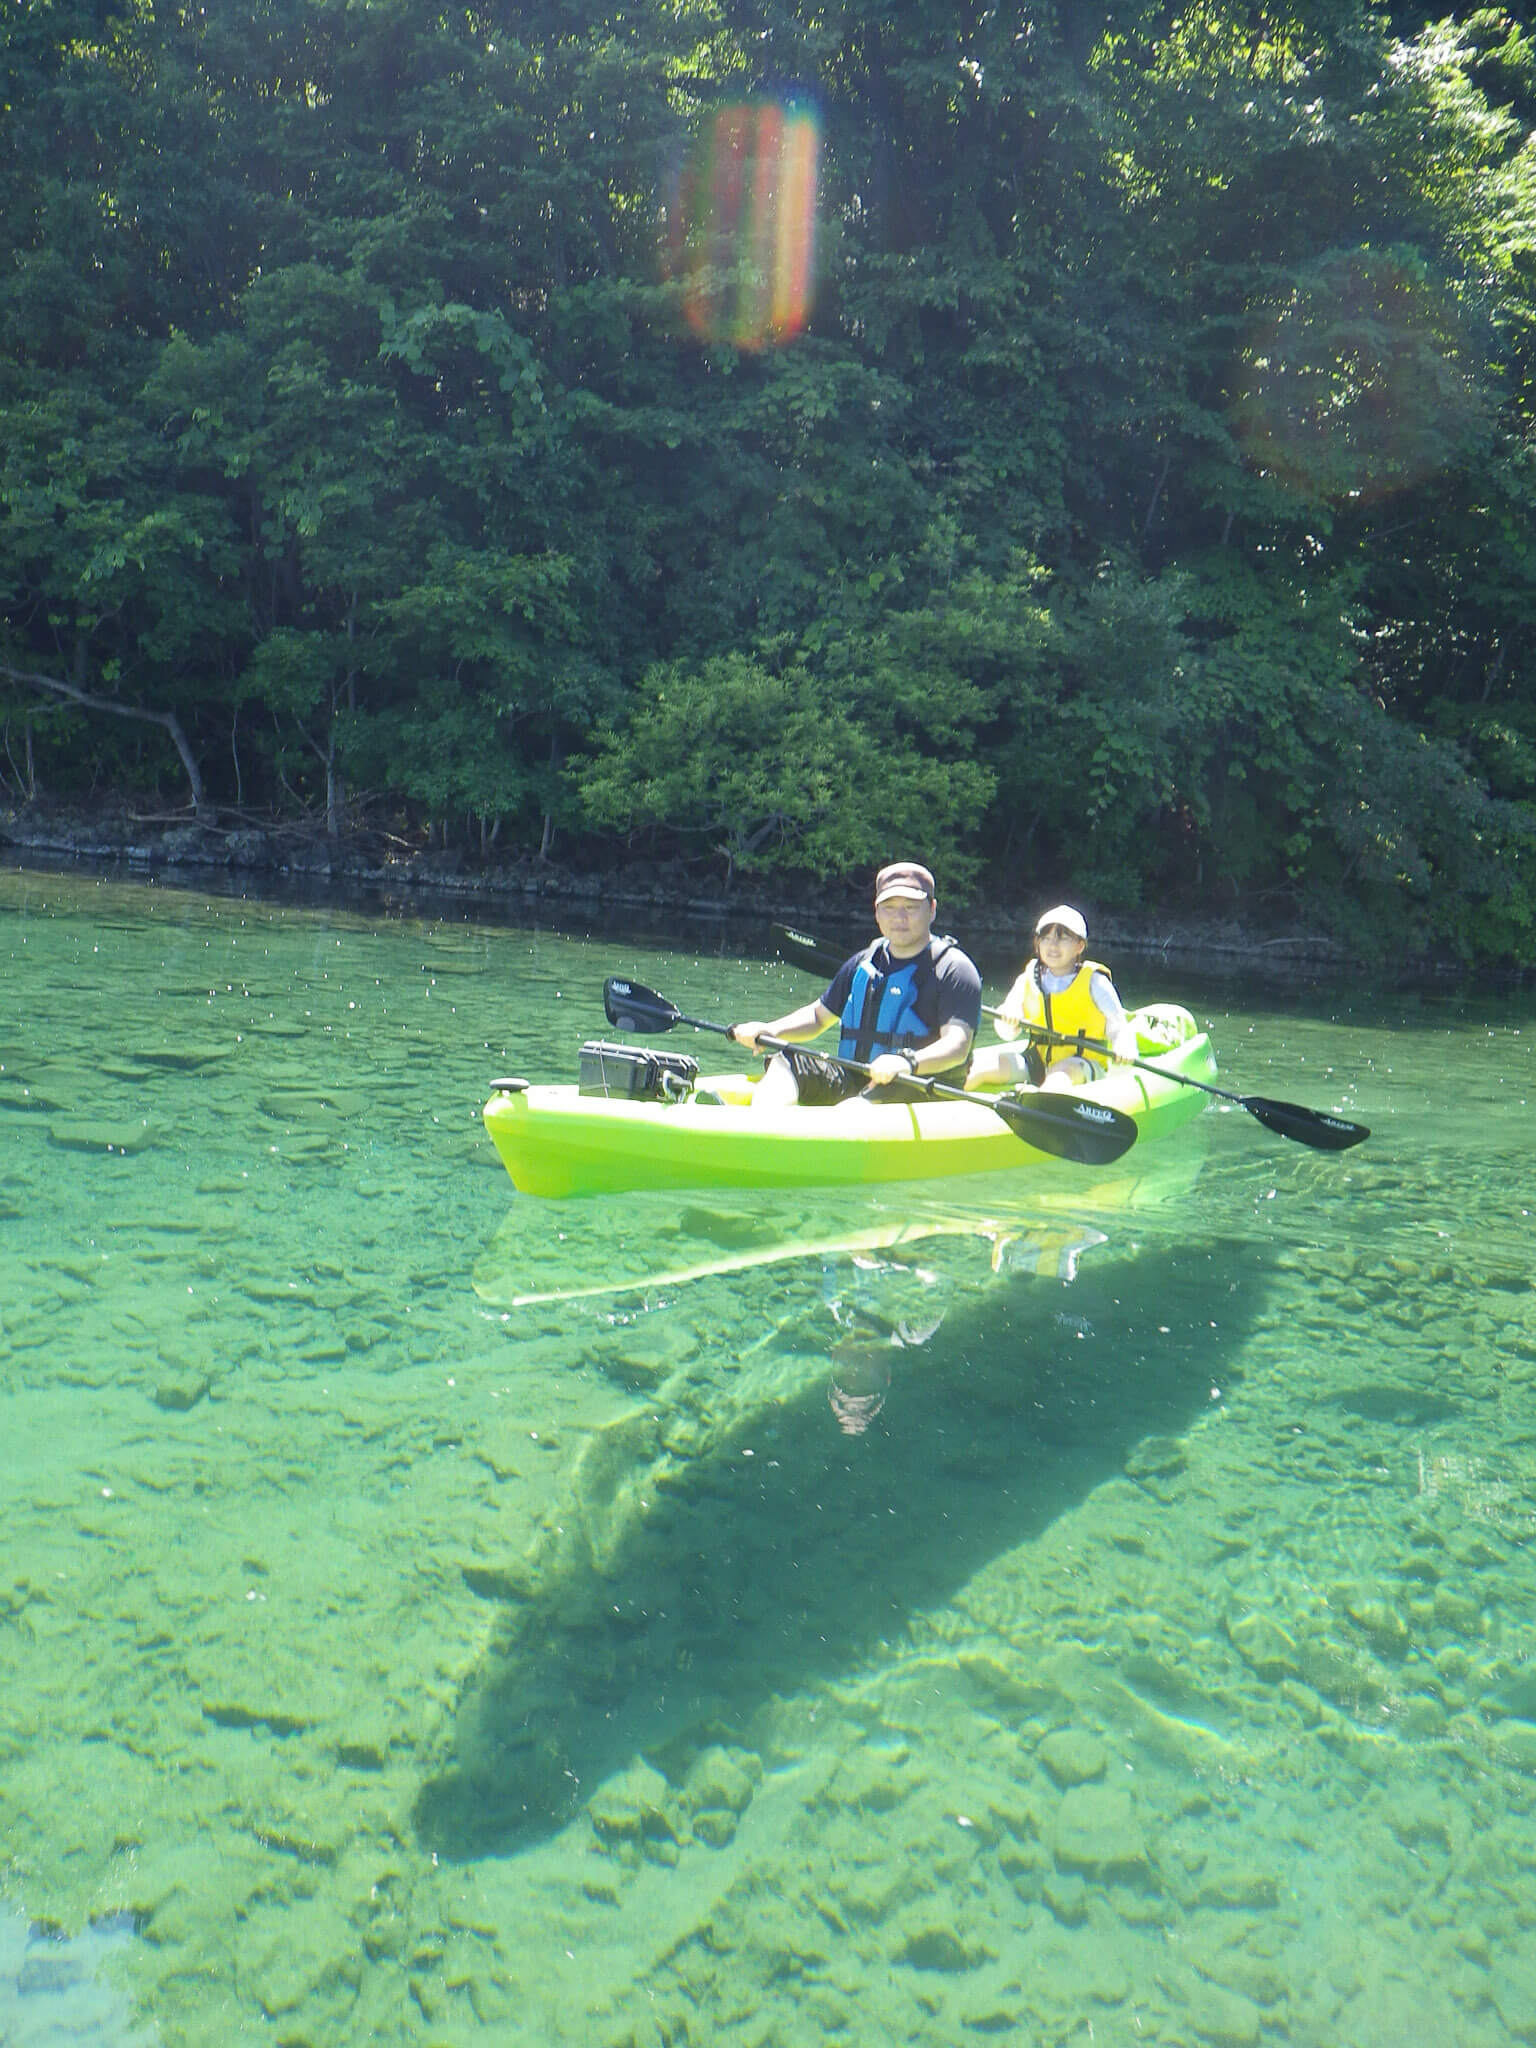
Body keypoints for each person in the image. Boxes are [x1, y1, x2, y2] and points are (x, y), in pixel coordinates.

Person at [729, 862, 982, 1107]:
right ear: (876, 912)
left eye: (911, 907)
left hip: (918, 1086)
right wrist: (771, 1030)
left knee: (855, 1107)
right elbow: (819, 1017)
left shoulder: (954, 969)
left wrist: (908, 1062)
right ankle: (760, 1127)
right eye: (890, 907)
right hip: (855, 1077)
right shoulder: (864, 961)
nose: (899, 917)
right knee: (785, 1060)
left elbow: (957, 1046)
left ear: (932, 909)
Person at [969, 904, 1137, 1092]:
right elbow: (1007, 1033)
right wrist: (1009, 1020)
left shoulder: (1095, 982)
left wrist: (1123, 1046)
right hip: (1037, 1060)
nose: (1053, 946)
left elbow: (1118, 1025)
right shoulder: (1028, 978)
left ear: (1079, 946)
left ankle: (1037, 1102)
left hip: (1082, 1063)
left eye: (1063, 938)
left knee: (1059, 1075)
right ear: (1038, 943)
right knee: (980, 1066)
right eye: (1046, 938)